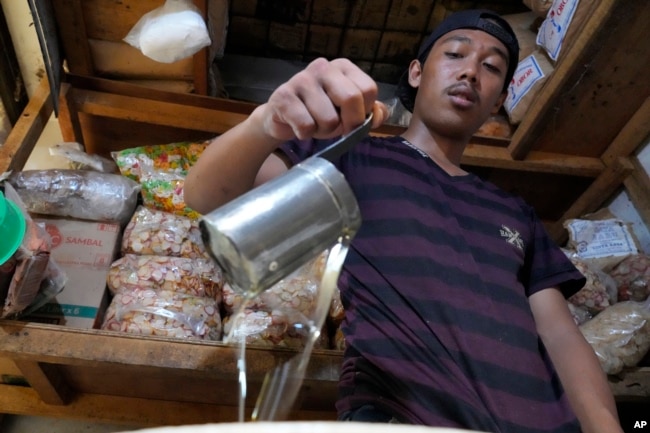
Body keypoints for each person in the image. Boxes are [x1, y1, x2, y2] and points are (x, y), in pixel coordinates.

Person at [185, 9, 623, 433]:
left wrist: (605, 426)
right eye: (455, 54)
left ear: (499, 101)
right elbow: (210, 196)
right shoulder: (353, 158)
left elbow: (560, 335)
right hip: (401, 416)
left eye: (491, 67)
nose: (471, 71)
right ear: (416, 72)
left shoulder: (515, 211)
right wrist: (267, 122)